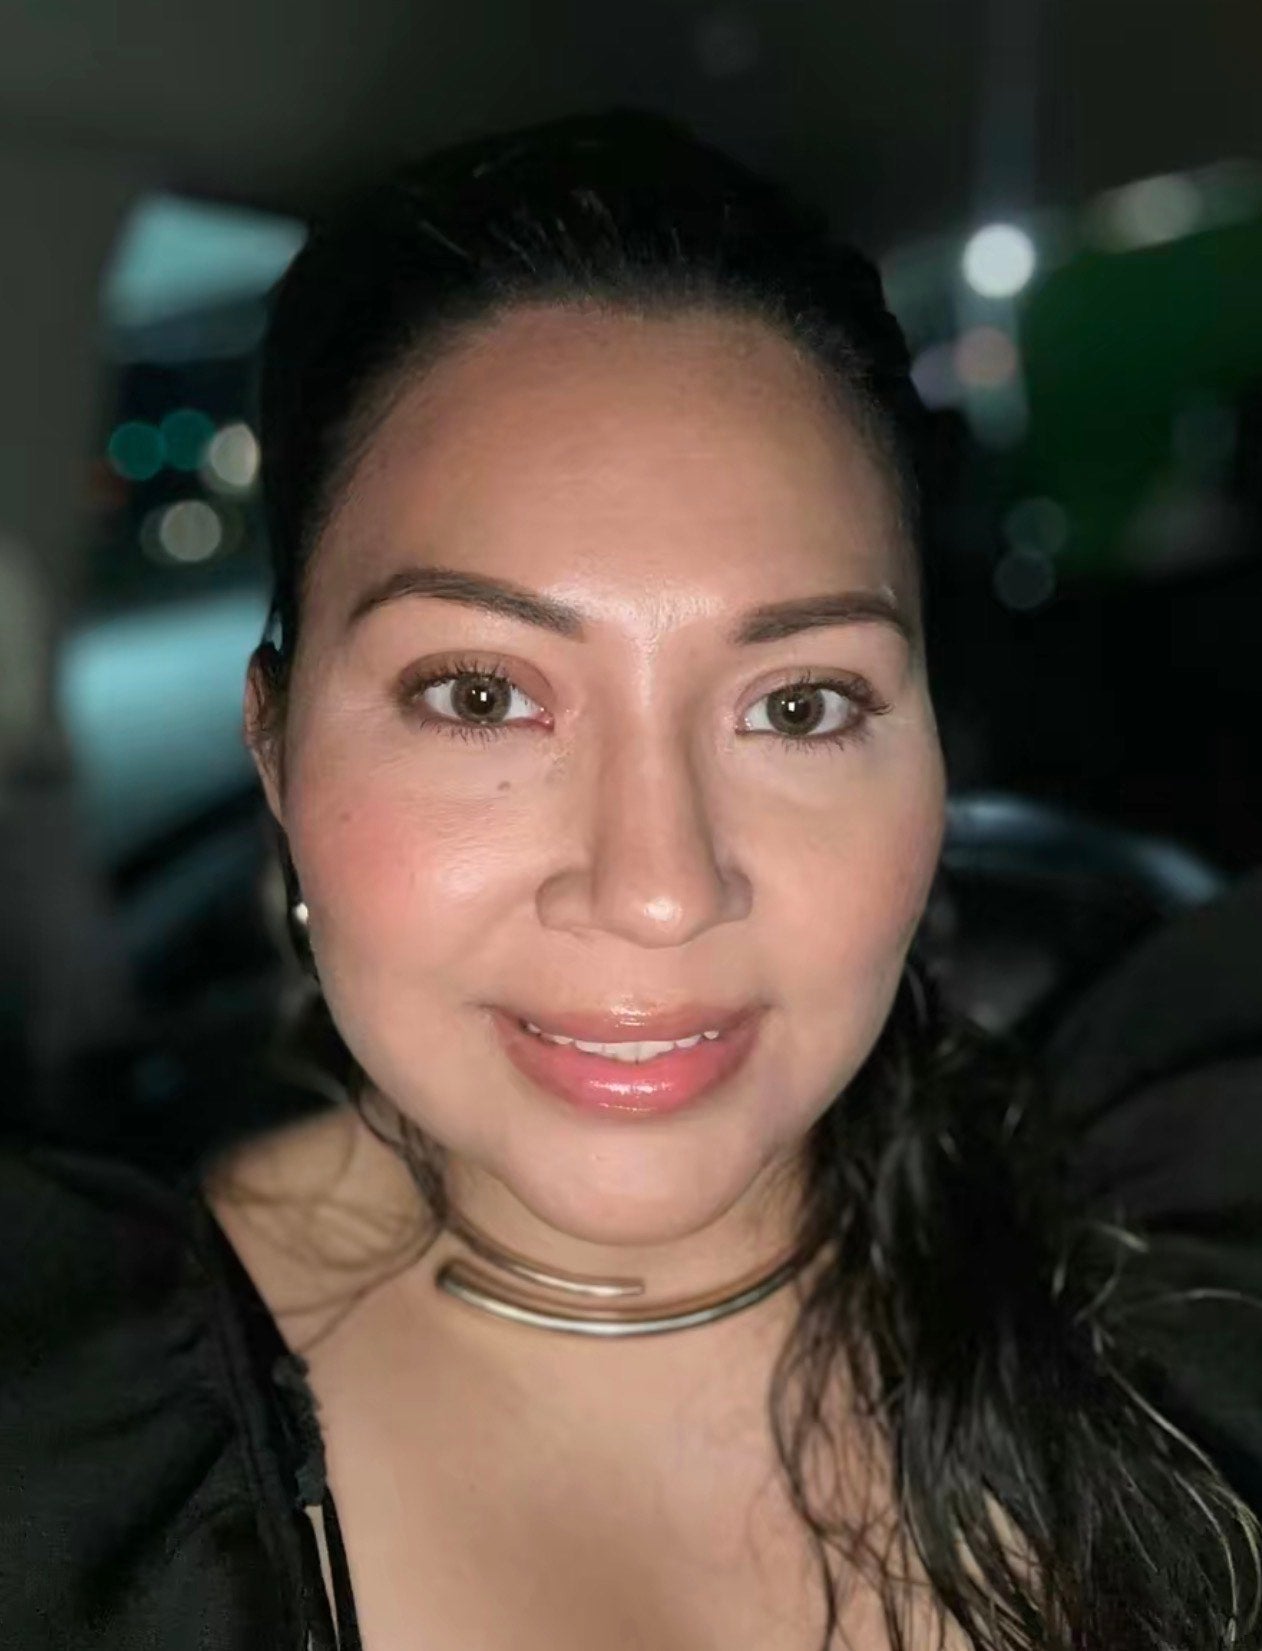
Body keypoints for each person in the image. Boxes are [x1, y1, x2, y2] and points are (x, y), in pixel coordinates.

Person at [2, 109, 1260, 1651]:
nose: (659, 891)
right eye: (479, 696)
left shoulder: (1191, 1281)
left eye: (797, 706)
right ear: (275, 747)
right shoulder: (57, 1461)